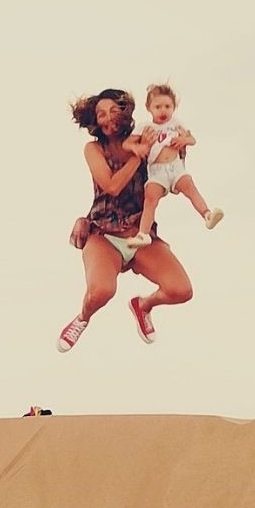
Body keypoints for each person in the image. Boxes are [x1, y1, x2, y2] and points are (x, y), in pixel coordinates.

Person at [55, 88, 195, 352]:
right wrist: (136, 157)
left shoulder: (144, 138)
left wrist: (181, 142)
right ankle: (82, 317)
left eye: (112, 112)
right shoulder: (94, 148)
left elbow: (170, 173)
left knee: (181, 290)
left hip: (140, 235)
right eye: (101, 114)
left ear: (125, 113)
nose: (107, 119)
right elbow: (111, 186)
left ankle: (142, 306)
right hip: (103, 234)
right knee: (101, 292)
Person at [126, 82, 221, 244]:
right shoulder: (145, 127)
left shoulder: (176, 124)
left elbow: (192, 140)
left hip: (176, 168)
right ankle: (143, 234)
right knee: (150, 198)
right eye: (158, 107)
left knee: (190, 186)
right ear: (149, 108)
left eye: (167, 106)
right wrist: (138, 147)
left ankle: (207, 214)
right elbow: (127, 143)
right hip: (157, 170)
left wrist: (183, 140)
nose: (163, 110)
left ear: (174, 107)